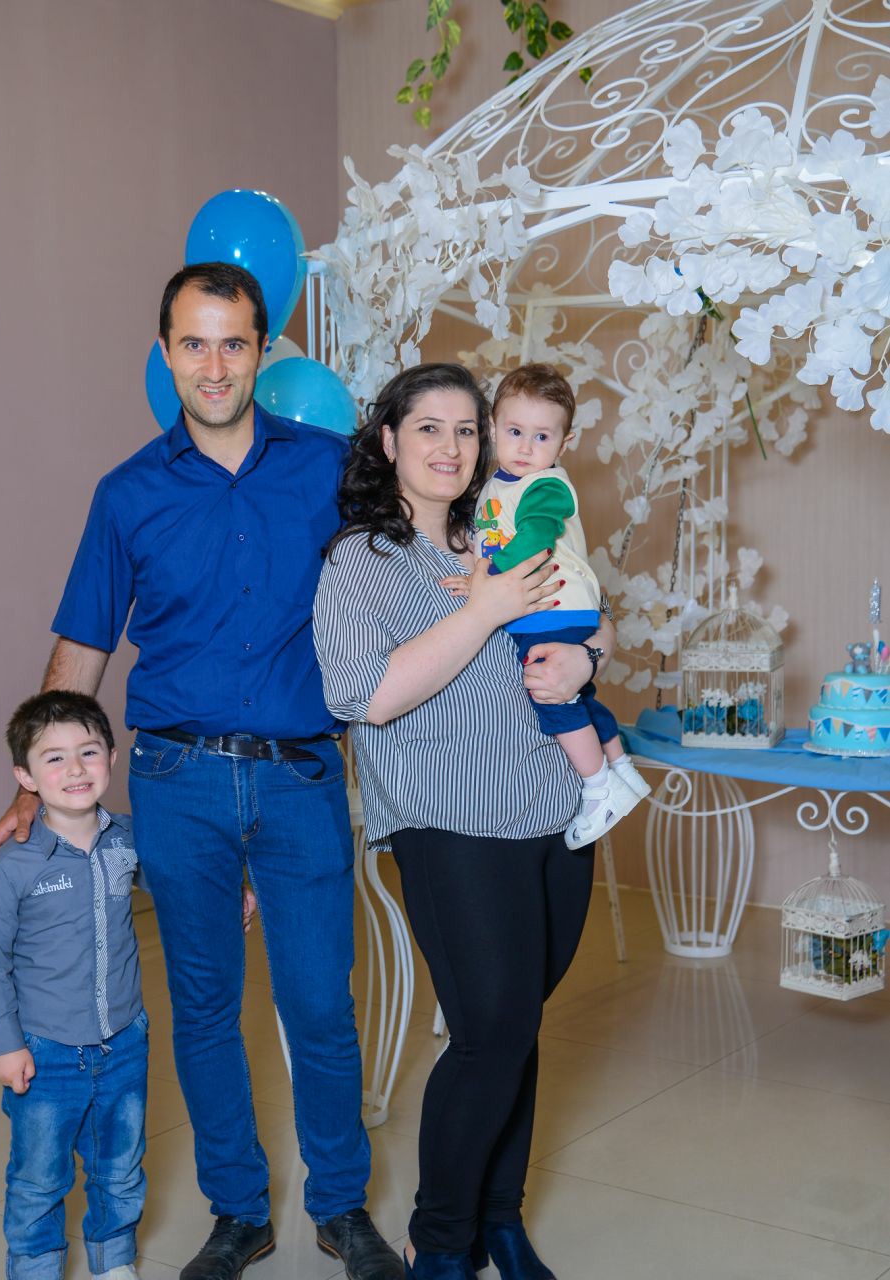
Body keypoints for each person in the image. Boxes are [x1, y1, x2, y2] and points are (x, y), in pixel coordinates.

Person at [0, 263, 402, 1280]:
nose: (215, 365)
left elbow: (407, 576)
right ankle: (238, 1210)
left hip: (301, 779)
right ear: (165, 354)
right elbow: (83, 648)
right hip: (177, 783)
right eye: (194, 343)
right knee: (206, 1009)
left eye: (234, 343)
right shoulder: (127, 493)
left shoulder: (329, 469)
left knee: (319, 1003)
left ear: (263, 351)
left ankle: (342, 1207)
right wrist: (26, 789)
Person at [313, 362, 616, 1280]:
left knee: (514, 1025)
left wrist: (587, 661)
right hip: (449, 821)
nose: (451, 446)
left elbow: (588, 615)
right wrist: (484, 609)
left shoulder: (503, 524)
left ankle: (500, 1220)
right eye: (428, 428)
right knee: (489, 1031)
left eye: (466, 429)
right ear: (388, 441)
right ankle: (440, 1239)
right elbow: (363, 695)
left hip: (551, 813)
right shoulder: (361, 560)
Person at [0, 691, 147, 1280]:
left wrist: (233, 892)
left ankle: (113, 1261)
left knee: (120, 1167)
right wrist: (5, 1045)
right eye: (54, 758)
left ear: (112, 758)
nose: (75, 769)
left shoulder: (128, 839)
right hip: (45, 1051)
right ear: (24, 778)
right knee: (39, 1177)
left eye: (88, 752)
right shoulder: (14, 865)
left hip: (124, 1042)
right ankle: (36, 1267)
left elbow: (181, 882)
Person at [446, 363, 649, 849]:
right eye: (515, 431)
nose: (525, 447)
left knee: (549, 694)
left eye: (542, 437)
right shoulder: (498, 484)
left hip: (552, 604)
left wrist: (483, 580)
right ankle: (620, 766)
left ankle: (598, 788)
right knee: (576, 694)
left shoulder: (546, 485)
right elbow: (494, 534)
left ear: (565, 443)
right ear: (493, 426)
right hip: (548, 605)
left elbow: (534, 541)